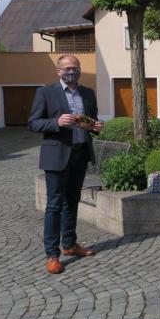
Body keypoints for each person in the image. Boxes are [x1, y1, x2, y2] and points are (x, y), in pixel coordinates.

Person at [29, 55, 103, 275]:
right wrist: (56, 122)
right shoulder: (46, 92)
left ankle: (69, 244)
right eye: (67, 68)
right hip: (56, 156)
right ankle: (52, 255)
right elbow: (33, 122)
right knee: (54, 205)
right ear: (58, 71)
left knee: (72, 200)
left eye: (76, 68)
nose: (72, 72)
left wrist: (96, 126)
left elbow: (92, 120)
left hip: (80, 155)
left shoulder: (88, 93)